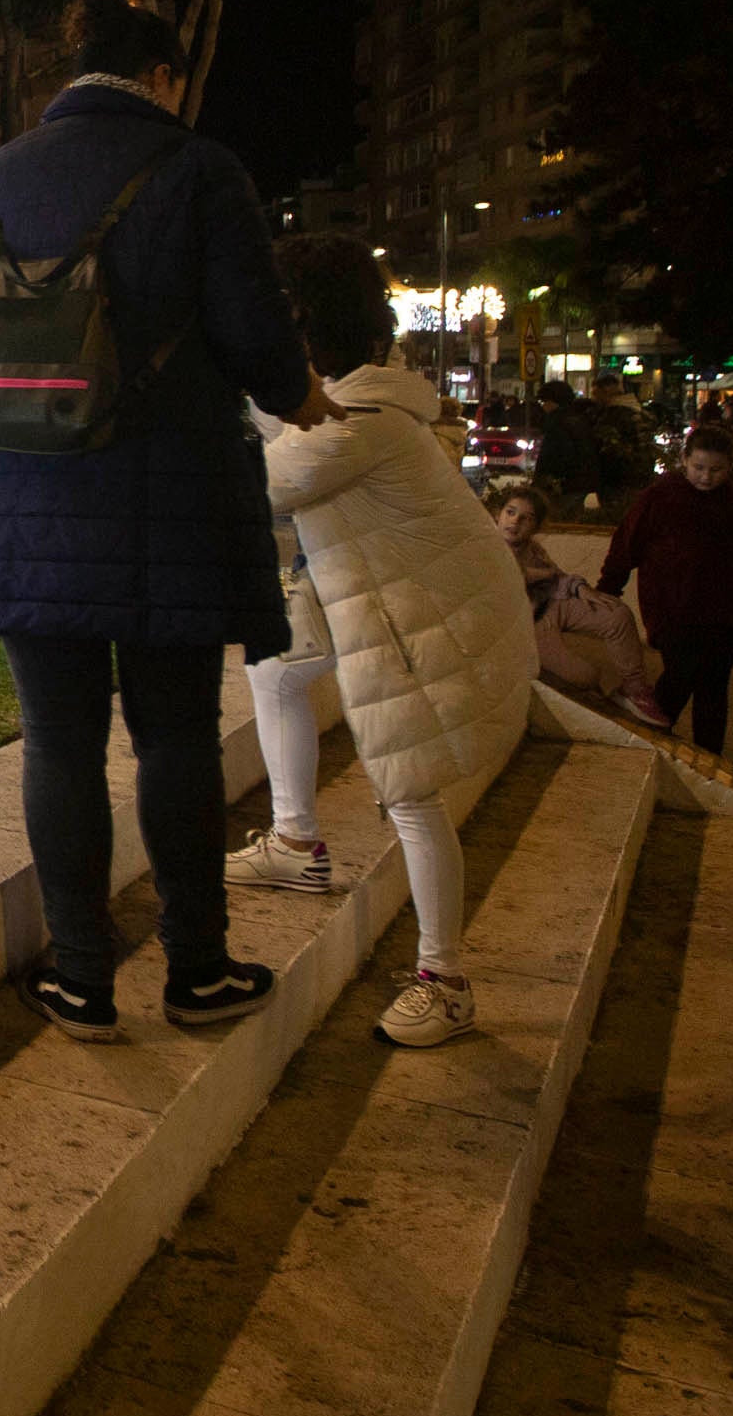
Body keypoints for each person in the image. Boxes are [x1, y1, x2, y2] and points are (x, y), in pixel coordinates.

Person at [0, 0, 333, 1042]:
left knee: (57, 742)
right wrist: (306, 397)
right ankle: (195, 970)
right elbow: (257, 337)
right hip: (169, 501)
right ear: (160, 79)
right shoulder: (198, 171)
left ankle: (81, 980)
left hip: (17, 502)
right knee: (177, 737)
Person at [227, 233, 535, 1048]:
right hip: (384, 600)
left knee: (411, 792)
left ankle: (447, 980)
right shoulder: (360, 398)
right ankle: (296, 841)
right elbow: (280, 423)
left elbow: (263, 478)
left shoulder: (359, 420)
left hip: (430, 623)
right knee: (276, 668)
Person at [599, 418, 733, 754]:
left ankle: (709, 756)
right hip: (672, 610)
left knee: (713, 689)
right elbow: (627, 544)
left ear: (730, 467)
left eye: (716, 469)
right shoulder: (659, 499)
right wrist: (608, 587)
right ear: (684, 460)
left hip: (722, 615)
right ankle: (650, 737)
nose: (706, 477)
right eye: (698, 467)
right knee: (681, 673)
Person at [488, 474, 667, 724]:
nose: (514, 521)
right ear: (499, 513)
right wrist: (546, 575)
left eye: (526, 518)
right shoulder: (484, 545)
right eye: (510, 512)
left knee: (616, 613)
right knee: (586, 677)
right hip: (526, 624)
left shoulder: (532, 548)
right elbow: (507, 578)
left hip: (550, 606)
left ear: (535, 526)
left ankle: (635, 690)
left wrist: (579, 588)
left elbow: (557, 578)